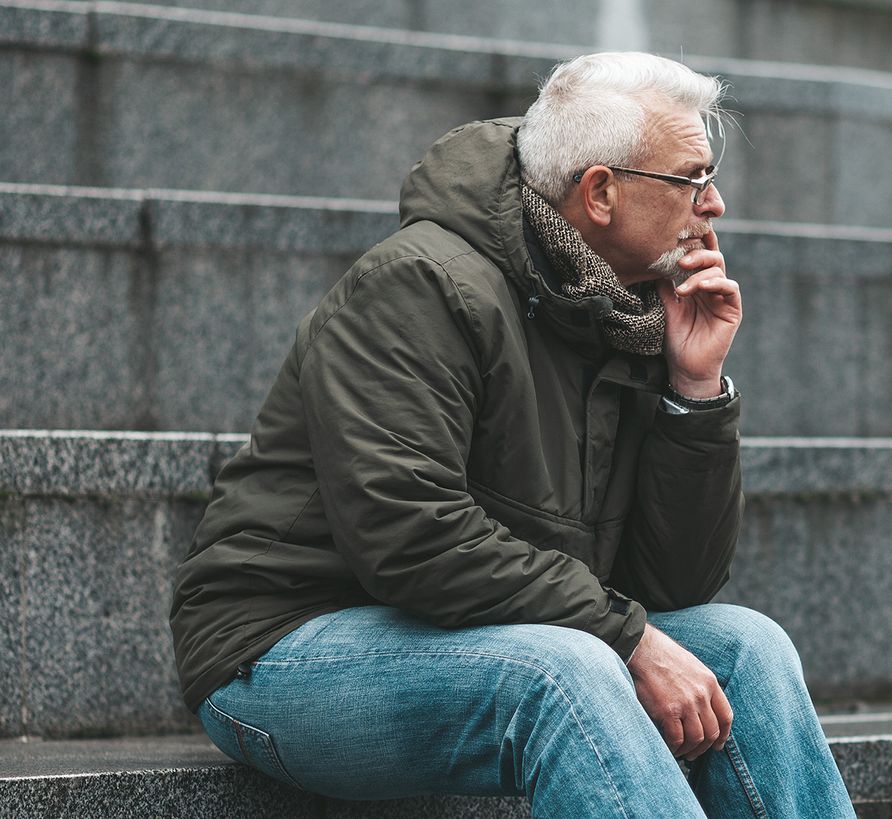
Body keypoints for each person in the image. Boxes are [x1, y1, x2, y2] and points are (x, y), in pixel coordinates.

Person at [169, 52, 856, 817]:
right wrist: (625, 637)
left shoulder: (625, 310)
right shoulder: (419, 286)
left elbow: (673, 585)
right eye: (692, 178)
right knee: (563, 670)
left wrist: (694, 391)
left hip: (479, 629)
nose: (715, 203)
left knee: (747, 649)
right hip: (280, 650)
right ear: (600, 192)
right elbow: (412, 535)